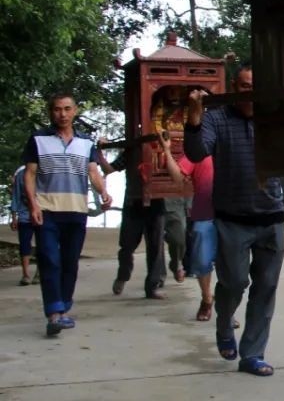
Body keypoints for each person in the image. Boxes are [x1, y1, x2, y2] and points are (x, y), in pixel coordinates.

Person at [185, 66, 284, 377]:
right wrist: (194, 116)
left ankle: (253, 354)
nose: (250, 92)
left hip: (272, 216)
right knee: (234, 282)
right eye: (244, 86)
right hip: (232, 219)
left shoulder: (274, 115)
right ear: (233, 86)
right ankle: (224, 320)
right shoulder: (217, 116)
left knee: (266, 287)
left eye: (255, 86)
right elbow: (197, 150)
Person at [22, 93, 112, 336]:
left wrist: (103, 192)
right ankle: (54, 312)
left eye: (67, 109)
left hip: (76, 210)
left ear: (75, 111)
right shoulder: (38, 139)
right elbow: (29, 175)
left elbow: (92, 171)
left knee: (70, 262)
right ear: (51, 112)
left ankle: (64, 308)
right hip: (48, 210)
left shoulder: (85, 142)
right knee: (50, 259)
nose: (62, 114)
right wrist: (33, 205)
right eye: (57, 109)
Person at [158, 132, 218, 322]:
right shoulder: (199, 151)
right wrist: (167, 151)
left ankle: (227, 308)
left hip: (232, 212)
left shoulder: (234, 148)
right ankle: (207, 298)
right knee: (201, 261)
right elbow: (177, 176)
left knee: (231, 265)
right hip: (204, 212)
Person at [99, 142, 168, 300]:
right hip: (133, 202)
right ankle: (123, 275)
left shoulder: (160, 149)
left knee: (156, 246)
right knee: (127, 245)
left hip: (156, 202)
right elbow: (108, 169)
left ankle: (152, 287)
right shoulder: (131, 151)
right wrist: (99, 152)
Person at [9, 165, 36, 285]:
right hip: (25, 216)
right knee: (24, 245)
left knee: (45, 244)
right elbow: (16, 196)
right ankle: (25, 274)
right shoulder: (21, 175)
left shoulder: (46, 172)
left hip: (44, 215)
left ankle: (39, 274)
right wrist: (14, 217)